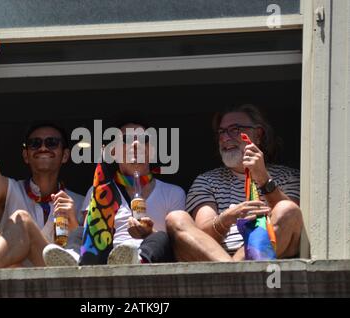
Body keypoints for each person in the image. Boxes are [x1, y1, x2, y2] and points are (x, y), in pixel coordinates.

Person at [0, 73, 84, 272]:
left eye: (52, 143)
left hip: (57, 285)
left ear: (65, 155)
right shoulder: (12, 191)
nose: (43, 147)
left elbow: (88, 258)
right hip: (14, 282)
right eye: (35, 143)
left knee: (22, 219)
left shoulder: (80, 202)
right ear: (26, 155)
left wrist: (74, 221)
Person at [166, 104, 303, 262]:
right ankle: (234, 270)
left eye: (235, 129)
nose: (225, 138)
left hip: (266, 257)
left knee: (287, 208)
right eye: (221, 132)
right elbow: (202, 233)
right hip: (215, 259)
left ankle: (236, 268)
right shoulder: (206, 180)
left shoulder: (288, 176)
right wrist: (229, 217)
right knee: (176, 218)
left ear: (258, 134)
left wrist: (263, 179)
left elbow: (292, 221)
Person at [42, 121, 186, 266]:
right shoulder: (98, 191)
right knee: (82, 232)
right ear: (113, 152)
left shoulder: (173, 192)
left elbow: (180, 246)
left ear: (152, 150)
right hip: (107, 259)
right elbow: (90, 236)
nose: (135, 143)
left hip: (150, 262)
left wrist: (148, 233)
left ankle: (138, 260)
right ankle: (73, 257)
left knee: (162, 237)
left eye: (143, 139)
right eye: (126, 139)